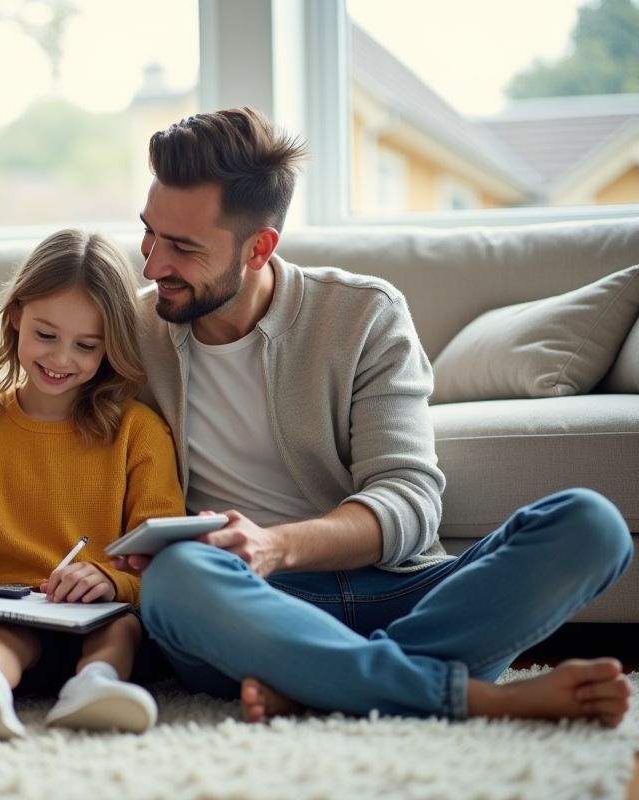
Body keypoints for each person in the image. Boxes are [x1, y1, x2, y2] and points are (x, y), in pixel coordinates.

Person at [112, 107, 633, 727]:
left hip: (400, 590)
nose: (151, 265)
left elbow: (410, 501)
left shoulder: (363, 315)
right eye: (149, 233)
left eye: (183, 247)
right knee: (175, 580)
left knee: (592, 525)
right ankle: (460, 694)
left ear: (260, 248)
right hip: (253, 607)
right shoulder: (133, 329)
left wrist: (274, 545)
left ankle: (318, 684)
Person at [0, 229, 185, 739]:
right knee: (8, 637)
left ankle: (93, 687)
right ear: (16, 317)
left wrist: (111, 580)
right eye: (46, 335)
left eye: (86, 346)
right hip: (6, 609)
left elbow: (161, 543)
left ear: (110, 345)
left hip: (102, 613)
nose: (60, 360)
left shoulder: (139, 431)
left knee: (118, 628)